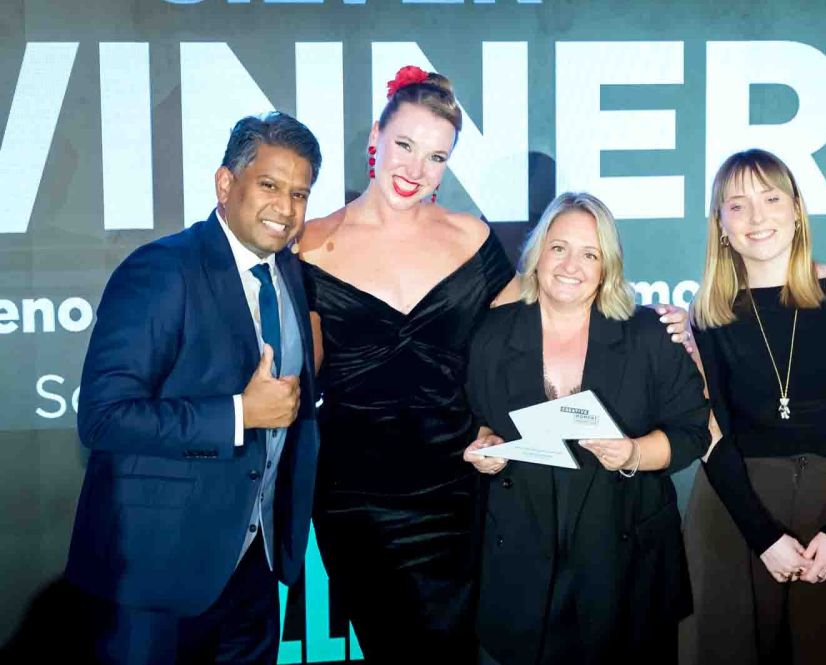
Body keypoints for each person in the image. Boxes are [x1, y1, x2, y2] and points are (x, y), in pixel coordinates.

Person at [298, 66, 692, 663]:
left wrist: (663, 326)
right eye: (404, 144)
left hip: (462, 487)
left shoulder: (472, 239)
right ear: (375, 138)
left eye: (436, 157)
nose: (415, 169)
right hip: (359, 498)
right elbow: (299, 369)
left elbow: (555, 299)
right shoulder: (307, 243)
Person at [66, 112, 322, 664]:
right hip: (152, 580)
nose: (285, 208)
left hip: (254, 570)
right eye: (269, 185)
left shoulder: (288, 274)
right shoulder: (161, 270)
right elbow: (103, 417)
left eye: (299, 194)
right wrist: (239, 414)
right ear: (226, 184)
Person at [462, 192, 711, 665]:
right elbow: (477, 418)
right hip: (522, 566)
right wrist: (485, 445)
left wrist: (634, 453)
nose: (570, 265)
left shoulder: (648, 333)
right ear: (538, 253)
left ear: (607, 267)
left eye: (589, 254)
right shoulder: (491, 334)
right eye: (559, 248)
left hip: (626, 567)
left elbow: (692, 430)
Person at [683, 149, 826, 664]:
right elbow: (710, 431)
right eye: (737, 205)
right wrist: (763, 536)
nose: (756, 217)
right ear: (721, 225)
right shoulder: (708, 313)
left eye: (771, 198)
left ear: (797, 210)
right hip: (737, 515)